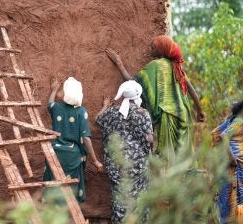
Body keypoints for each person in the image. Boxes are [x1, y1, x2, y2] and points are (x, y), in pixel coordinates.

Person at [105, 35, 205, 158]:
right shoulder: (176, 66)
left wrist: (119, 63)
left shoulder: (155, 65)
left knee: (167, 155)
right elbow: (191, 89)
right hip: (183, 115)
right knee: (183, 154)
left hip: (168, 115)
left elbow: (133, 82)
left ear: (160, 49)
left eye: (153, 47)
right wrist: (200, 110)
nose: (150, 49)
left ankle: (169, 177)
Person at [96, 80, 153, 224]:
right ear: (137, 95)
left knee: (120, 198)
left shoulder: (112, 112)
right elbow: (149, 139)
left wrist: (104, 107)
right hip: (137, 166)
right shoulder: (143, 113)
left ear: (123, 96)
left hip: (116, 164)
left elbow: (98, 119)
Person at [43, 77, 104, 203]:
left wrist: (54, 90)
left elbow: (49, 105)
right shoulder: (81, 112)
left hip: (54, 153)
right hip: (72, 157)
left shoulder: (57, 107)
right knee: (69, 191)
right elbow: (86, 138)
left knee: (53, 187)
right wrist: (95, 160)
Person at [212, 98, 243, 224]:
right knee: (231, 201)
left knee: (228, 200)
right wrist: (231, 158)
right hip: (234, 167)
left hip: (228, 166)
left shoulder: (233, 120)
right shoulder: (239, 121)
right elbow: (223, 136)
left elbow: (215, 133)